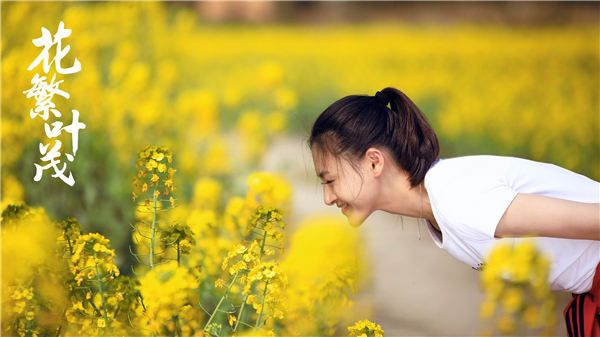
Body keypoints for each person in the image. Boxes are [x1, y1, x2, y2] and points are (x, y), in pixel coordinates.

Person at [308, 86, 600, 336]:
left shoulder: (459, 197)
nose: (327, 198)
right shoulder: (440, 205)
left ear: (374, 162)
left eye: (330, 180)